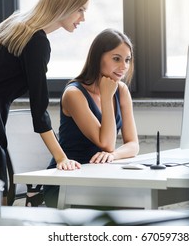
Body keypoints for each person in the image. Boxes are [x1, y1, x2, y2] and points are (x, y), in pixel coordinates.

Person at [0, 0, 91, 205]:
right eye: (80, 10)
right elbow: (39, 109)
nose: (83, 18)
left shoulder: (19, 24)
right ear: (65, 4)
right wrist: (61, 158)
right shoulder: (36, 41)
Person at [44, 28, 140, 207]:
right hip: (67, 180)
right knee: (122, 204)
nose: (124, 66)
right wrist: (106, 96)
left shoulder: (121, 90)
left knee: (135, 199)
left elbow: (133, 145)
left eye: (127, 60)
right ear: (98, 57)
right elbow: (106, 143)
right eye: (116, 58)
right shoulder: (74, 94)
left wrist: (113, 156)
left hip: (97, 175)